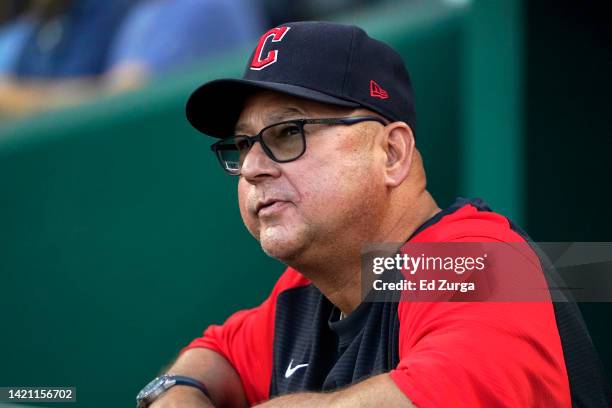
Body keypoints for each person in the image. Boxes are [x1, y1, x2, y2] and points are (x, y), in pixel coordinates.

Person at [136, 21, 610, 407]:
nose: (254, 168)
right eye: (244, 144)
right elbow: (217, 354)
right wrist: (179, 392)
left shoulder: (482, 262)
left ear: (391, 152)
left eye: (287, 133)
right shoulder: (307, 292)